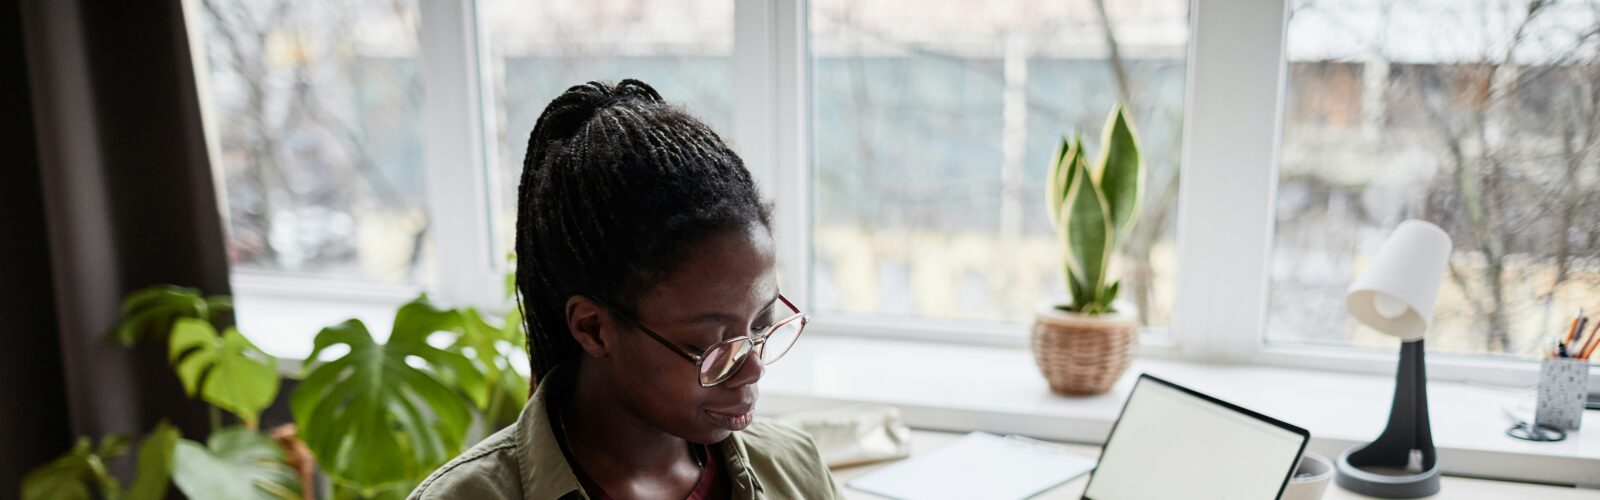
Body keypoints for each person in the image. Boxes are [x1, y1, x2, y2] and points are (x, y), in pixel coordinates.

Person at [409, 80, 841, 500]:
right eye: (714, 345)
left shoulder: (795, 469)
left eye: (763, 325)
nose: (753, 371)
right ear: (594, 328)